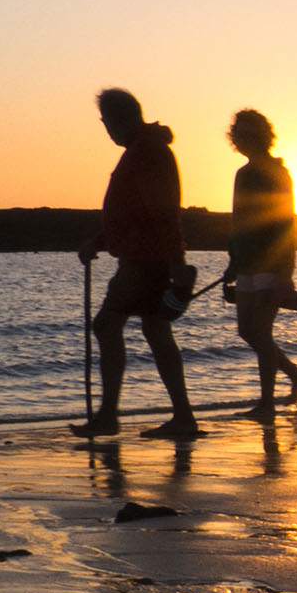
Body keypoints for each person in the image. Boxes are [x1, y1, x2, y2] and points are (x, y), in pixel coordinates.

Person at [71, 88, 201, 439]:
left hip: (146, 260)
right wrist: (98, 241)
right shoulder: (143, 149)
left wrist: (177, 264)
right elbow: (131, 211)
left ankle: (112, 415)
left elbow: (162, 212)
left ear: (118, 119)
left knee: (108, 325)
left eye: (107, 123)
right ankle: (181, 416)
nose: (107, 131)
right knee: (154, 330)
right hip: (142, 256)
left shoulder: (147, 151)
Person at [222, 109, 297, 418]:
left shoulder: (277, 173)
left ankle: (267, 403)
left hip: (271, 264)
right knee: (248, 331)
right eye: (237, 134)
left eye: (247, 134)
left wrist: (285, 273)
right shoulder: (242, 174)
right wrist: (232, 261)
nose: (241, 140)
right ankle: (295, 375)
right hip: (245, 264)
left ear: (261, 136)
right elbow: (238, 221)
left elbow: (286, 224)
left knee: (260, 330)